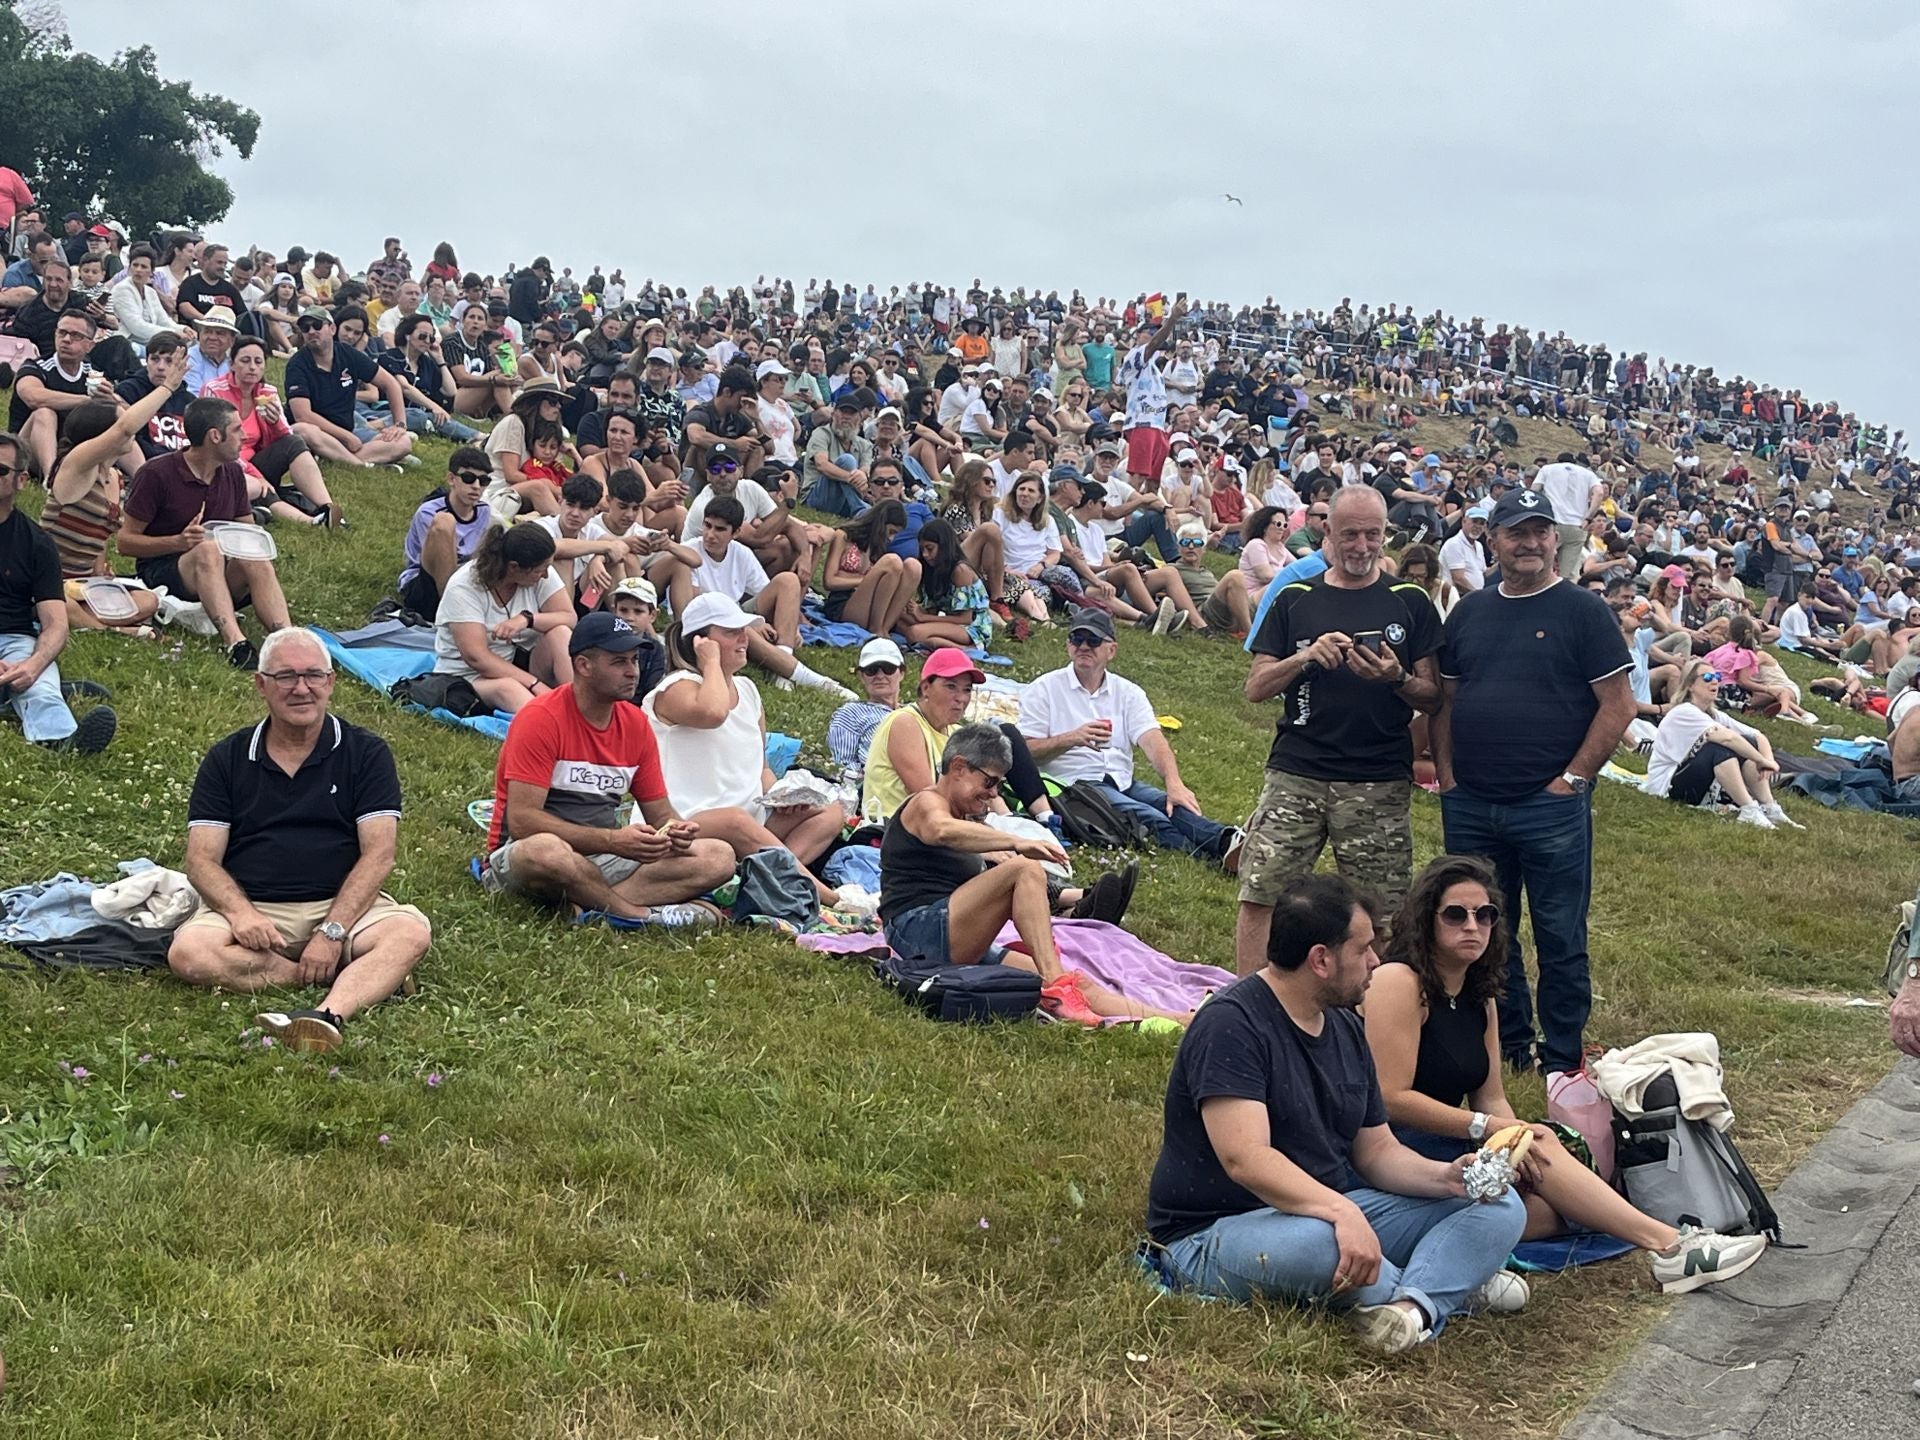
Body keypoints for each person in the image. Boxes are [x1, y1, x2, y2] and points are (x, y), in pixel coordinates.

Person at [1142, 873, 1528, 1354]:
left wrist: (1447, 1177)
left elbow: (1378, 1151)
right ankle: (1450, 1285)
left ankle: (1412, 1306)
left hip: (1329, 1207)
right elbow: (1246, 1159)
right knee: (1325, 1245)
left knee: (1498, 1204)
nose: (1376, 962)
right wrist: (1340, 1211)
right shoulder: (1231, 1024)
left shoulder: (1346, 1025)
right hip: (1216, 1232)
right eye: (1364, 949)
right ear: (1320, 959)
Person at [1364, 854, 1769, 1293]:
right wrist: (1494, 1129)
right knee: (1546, 1163)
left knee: (1553, 1202)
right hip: (1395, 1149)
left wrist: (1513, 1140)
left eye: (1485, 915)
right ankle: (1671, 1247)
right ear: (1426, 920)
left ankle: (1445, 1245)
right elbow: (1390, 1096)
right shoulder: (1399, 981)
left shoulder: (1480, 996)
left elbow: (1491, 1096)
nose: (1472, 926)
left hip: (1457, 1140)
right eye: (1455, 915)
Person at [1432, 487, 1635, 1075]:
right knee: (1485, 932)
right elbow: (1444, 701)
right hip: (1470, 800)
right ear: (1491, 540)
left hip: (1548, 805)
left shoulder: (1584, 611)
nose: (1529, 542)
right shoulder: (1470, 611)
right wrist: (1446, 776)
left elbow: (1617, 705)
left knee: (1559, 933)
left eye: (1540, 530)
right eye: (1516, 531)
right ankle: (1510, 1042)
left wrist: (1573, 779)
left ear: (1555, 539)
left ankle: (1563, 1053)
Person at [167, 628, 431, 1054]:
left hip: (341, 905)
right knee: (189, 953)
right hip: (256, 907)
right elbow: (200, 860)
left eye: (313, 675)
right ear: (261, 685)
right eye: (286, 676)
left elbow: (379, 855)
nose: (301, 688)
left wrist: (332, 932)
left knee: (410, 933)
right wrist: (241, 915)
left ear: (331, 682)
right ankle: (338, 973)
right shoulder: (227, 758)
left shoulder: (366, 753)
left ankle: (327, 1015)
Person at [1236, 487, 1442, 973]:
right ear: (1327, 532)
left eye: (1373, 535)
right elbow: (1256, 688)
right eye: (1350, 534)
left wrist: (1396, 678)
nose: (1362, 546)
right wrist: (1306, 658)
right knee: (1262, 893)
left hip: (1377, 777)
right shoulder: (1296, 597)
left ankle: (1374, 1019)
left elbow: (1434, 696)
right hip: (1297, 770)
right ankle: (1247, 1013)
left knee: (1384, 912)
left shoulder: (1409, 601)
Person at [879, 722, 1187, 1027]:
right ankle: (1057, 985)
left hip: (948, 932)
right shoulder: (927, 802)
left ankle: (1175, 1019)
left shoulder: (966, 820)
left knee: (1074, 978)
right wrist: (1017, 842)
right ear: (958, 767)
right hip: (916, 933)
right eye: (989, 782)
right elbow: (939, 829)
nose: (993, 793)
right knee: (1025, 870)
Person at [475, 611, 736, 929]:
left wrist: (676, 832)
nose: (632, 672)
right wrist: (613, 841)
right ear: (583, 666)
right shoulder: (540, 718)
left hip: (601, 857)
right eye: (619, 662)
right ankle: (634, 914)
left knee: (719, 856)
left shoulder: (635, 723)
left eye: (634, 661)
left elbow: (661, 814)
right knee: (548, 852)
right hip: (530, 853)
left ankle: (586, 903)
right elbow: (523, 822)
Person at [641, 592, 849, 906]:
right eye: (730, 632)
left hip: (750, 815)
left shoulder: (748, 690)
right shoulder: (675, 687)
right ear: (700, 641)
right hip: (685, 819)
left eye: (744, 631)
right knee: (735, 822)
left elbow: (760, 767)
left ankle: (763, 879)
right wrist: (709, 662)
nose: (744, 639)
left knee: (831, 812)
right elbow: (713, 713)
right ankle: (826, 896)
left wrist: (781, 796)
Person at [1017, 609, 1238, 863]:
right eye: (1077, 639)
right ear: (1068, 645)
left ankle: (1227, 840)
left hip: (1121, 779)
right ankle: (1212, 858)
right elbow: (1026, 751)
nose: (1084, 647)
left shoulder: (1128, 693)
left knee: (1172, 804)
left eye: (1093, 641)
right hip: (1076, 784)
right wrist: (1072, 738)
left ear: (1111, 650)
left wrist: (1174, 782)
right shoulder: (1044, 689)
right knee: (1147, 815)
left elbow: (1153, 741)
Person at [119, 396, 292, 670]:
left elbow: (244, 529)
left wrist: (251, 538)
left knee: (251, 551)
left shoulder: (232, 473)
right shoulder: (156, 474)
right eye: (236, 430)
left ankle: (285, 640)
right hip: (166, 573)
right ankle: (235, 642)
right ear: (215, 436)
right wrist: (177, 541)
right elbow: (125, 543)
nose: (245, 437)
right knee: (207, 549)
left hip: (219, 572)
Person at [0, 428, 117, 751]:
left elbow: (55, 623)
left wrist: (34, 664)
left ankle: (62, 739)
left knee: (36, 683)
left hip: (15, 640)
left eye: (1, 471)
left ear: (21, 480)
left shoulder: (37, 543)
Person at [431, 522, 575, 714]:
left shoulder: (540, 571)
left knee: (561, 633)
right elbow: (477, 658)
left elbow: (569, 618)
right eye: (541, 569)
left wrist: (527, 619)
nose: (546, 575)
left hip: (521, 661)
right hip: (471, 676)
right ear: (514, 567)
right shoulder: (463, 587)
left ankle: (580, 703)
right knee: (508, 688)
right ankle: (560, 724)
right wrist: (534, 684)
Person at [1643, 659, 1798, 828]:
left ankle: (1769, 807)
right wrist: (1761, 761)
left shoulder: (1714, 715)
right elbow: (1727, 738)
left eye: (1717, 676)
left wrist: (1770, 761)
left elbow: (1758, 736)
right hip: (1668, 786)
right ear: (1690, 685)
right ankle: (1749, 809)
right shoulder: (1684, 711)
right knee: (1719, 747)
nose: (1715, 681)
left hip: (1694, 782)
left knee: (1748, 742)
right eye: (1707, 677)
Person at [283, 307, 415, 469]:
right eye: (305, 328)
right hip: (319, 433)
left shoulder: (348, 354)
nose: (311, 331)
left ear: (332, 329)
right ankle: (361, 464)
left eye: (317, 325)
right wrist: (345, 436)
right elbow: (303, 416)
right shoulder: (297, 364)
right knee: (301, 430)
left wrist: (400, 424)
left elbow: (390, 384)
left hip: (349, 428)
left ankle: (337, 458)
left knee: (403, 441)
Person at [395, 448, 492, 619]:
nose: (476, 486)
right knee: (445, 523)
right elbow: (437, 563)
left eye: (483, 481)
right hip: (424, 583)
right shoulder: (430, 512)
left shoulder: (483, 511)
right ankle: (450, 612)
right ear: (451, 479)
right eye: (469, 478)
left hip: (462, 580)